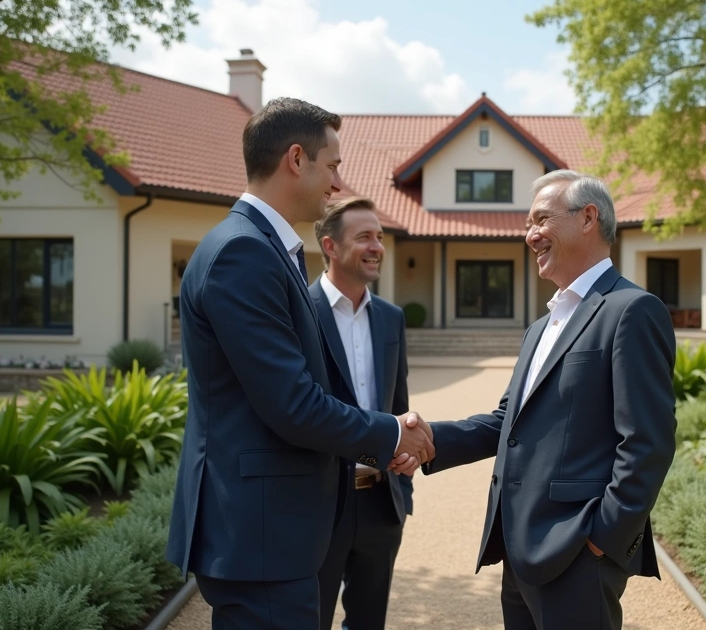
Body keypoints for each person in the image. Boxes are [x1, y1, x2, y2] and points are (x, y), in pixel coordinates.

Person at [165, 97, 434, 630]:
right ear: (296, 159)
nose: (337, 182)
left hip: (273, 531)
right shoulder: (243, 253)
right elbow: (291, 403)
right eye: (332, 164)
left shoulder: (263, 248)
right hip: (263, 531)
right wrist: (390, 434)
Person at [419, 169, 678, 630]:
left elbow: (647, 442)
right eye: (526, 226)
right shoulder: (542, 326)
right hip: (518, 549)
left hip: (577, 554)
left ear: (588, 218)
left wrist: (601, 540)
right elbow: (508, 423)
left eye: (540, 220)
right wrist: (429, 439)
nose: (530, 236)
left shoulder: (632, 310)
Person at [309, 197, 413, 630]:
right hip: (318, 502)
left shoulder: (392, 318)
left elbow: (399, 408)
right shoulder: (301, 313)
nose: (376, 246)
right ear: (330, 246)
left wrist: (405, 476)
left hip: (380, 501)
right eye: (364, 237)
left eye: (380, 237)